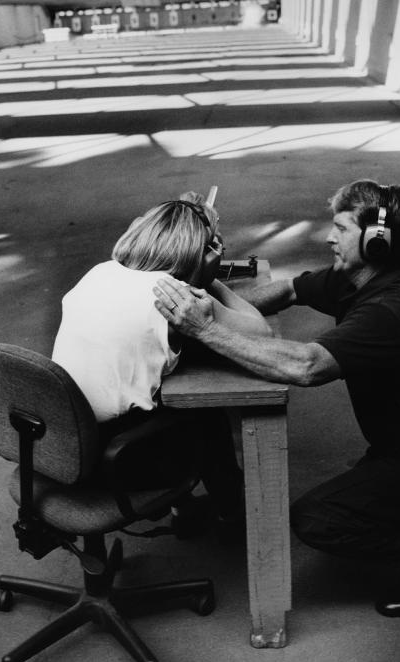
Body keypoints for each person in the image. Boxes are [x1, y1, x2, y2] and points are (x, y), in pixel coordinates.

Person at [153, 178, 400, 617]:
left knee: (316, 519)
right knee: (362, 493)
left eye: (342, 228)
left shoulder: (391, 310)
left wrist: (206, 329)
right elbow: (290, 290)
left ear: (378, 241)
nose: (330, 236)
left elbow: (305, 366)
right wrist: (221, 305)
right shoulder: (357, 279)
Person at [51, 191, 271, 530]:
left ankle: (184, 509)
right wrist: (211, 277)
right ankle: (232, 514)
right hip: (119, 460)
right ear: (205, 252)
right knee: (207, 415)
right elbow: (261, 333)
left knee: (163, 390)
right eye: (215, 248)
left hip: (59, 444)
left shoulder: (99, 272)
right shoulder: (175, 295)